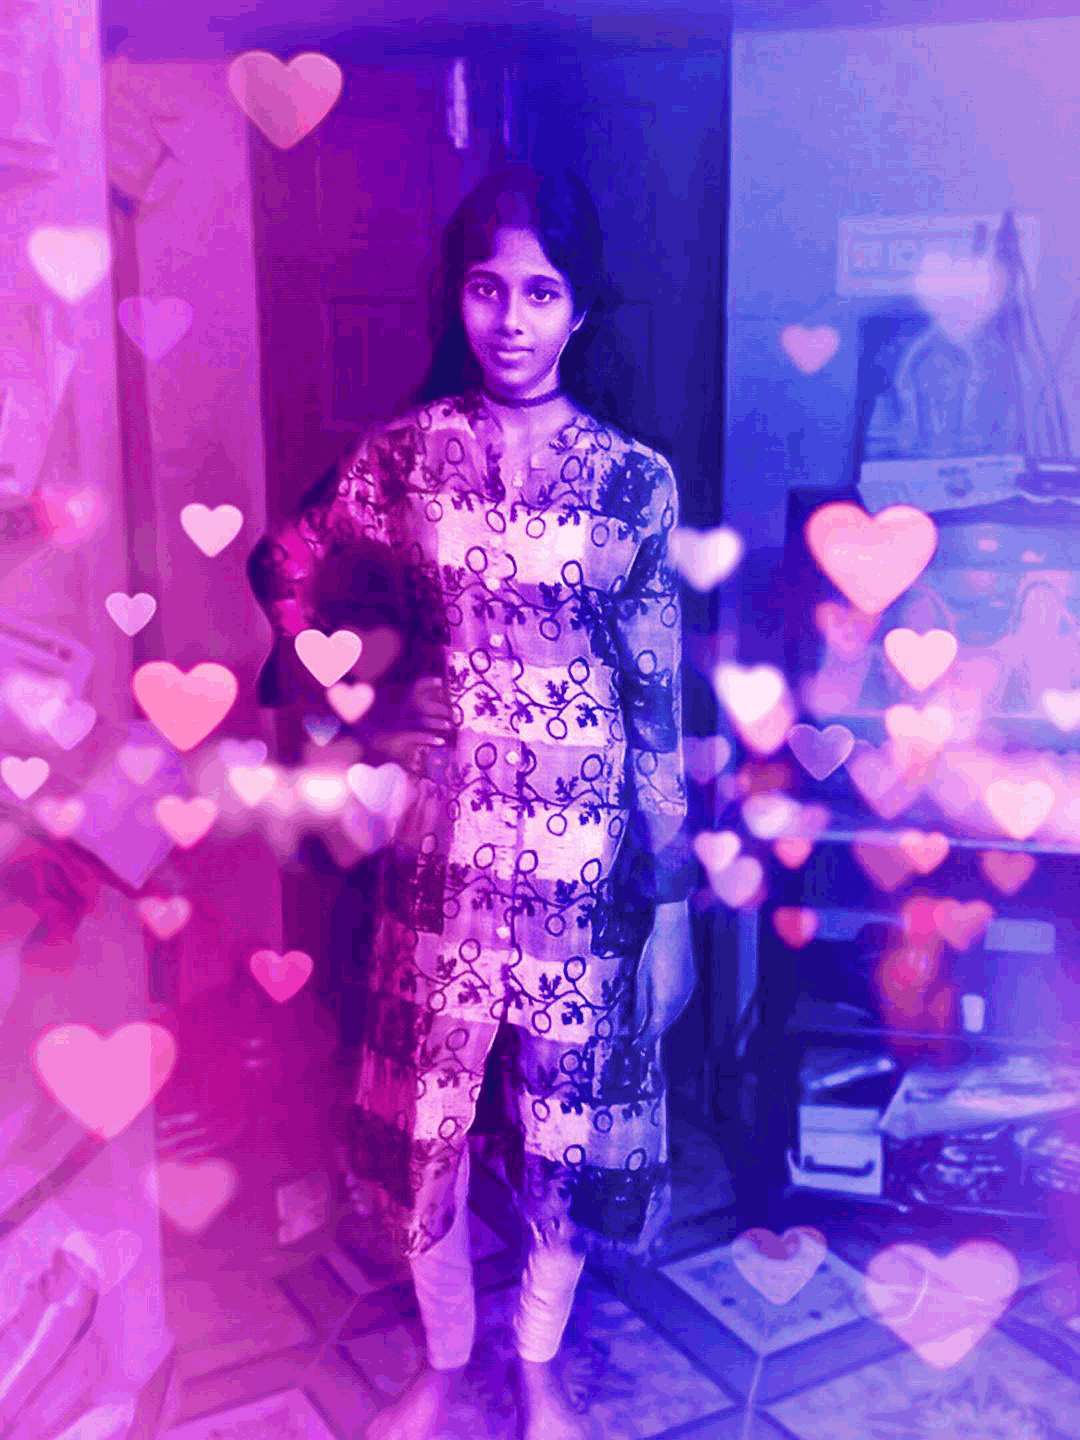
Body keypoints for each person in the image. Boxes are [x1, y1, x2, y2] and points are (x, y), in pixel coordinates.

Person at [251, 164, 696, 1439]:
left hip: (582, 866)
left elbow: (657, 701)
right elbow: (286, 561)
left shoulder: (633, 481)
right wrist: (364, 706)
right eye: (489, 287)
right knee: (426, 1127)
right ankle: (444, 1364)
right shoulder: (407, 455)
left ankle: (539, 1370)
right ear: (460, 296)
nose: (512, 317)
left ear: (581, 310)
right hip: (440, 855)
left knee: (563, 1127)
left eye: (542, 292)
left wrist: (671, 911)